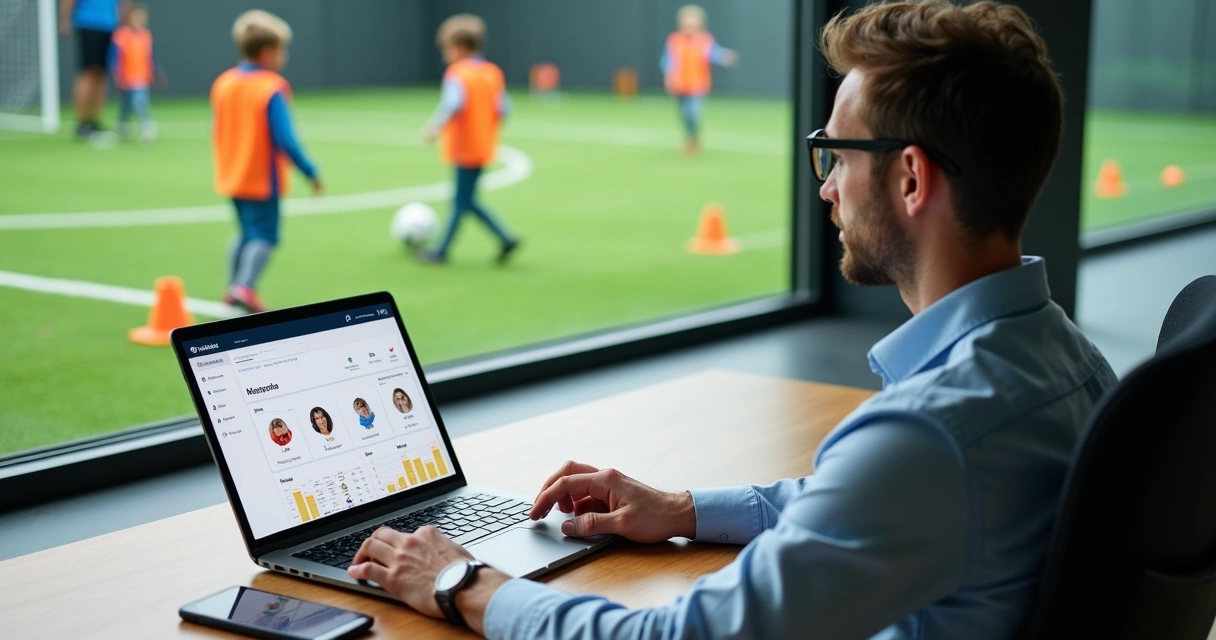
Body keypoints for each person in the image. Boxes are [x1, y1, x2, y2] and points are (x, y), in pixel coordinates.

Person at [343, 2, 1119, 638]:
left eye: (837, 157)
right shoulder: (1072, 364)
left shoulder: (930, 437)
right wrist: (680, 509)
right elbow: (864, 504)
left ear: (911, 178)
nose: (827, 189)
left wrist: (460, 581)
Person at [211, 9, 322, 314]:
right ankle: (244, 287)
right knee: (264, 236)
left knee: (245, 234)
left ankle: (232, 286)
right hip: (260, 178)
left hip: (231, 175)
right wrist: (310, 170)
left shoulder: (224, 83)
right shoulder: (271, 88)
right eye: (283, 50)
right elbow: (286, 139)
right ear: (268, 52)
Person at [417, 14, 521, 266]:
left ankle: (443, 250)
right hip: (483, 146)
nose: (445, 56)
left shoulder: (458, 73)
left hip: (464, 148)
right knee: (467, 200)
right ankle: (503, 238)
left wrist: (435, 127)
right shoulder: (492, 73)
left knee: (462, 201)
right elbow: (505, 109)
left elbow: (453, 104)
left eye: (447, 49)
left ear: (460, 48)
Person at [661, 4, 737, 156]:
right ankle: (691, 137)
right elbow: (668, 62)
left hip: (697, 85)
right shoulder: (674, 40)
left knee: (693, 113)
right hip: (680, 85)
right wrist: (668, 78)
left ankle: (692, 139)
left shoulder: (705, 40)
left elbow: (715, 53)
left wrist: (726, 57)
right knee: (684, 116)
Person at [59, 0, 128, 140]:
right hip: (89, 23)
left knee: (102, 74)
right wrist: (65, 19)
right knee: (89, 72)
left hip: (110, 26)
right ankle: (82, 123)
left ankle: (94, 122)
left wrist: (123, 22)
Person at [108, 3, 163, 144]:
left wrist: (156, 72)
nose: (139, 21)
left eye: (142, 18)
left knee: (140, 102)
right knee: (125, 106)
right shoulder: (121, 36)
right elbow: (114, 58)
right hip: (126, 78)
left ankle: (147, 128)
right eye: (136, 18)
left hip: (141, 78)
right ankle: (123, 127)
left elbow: (151, 57)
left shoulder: (146, 36)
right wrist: (117, 76)